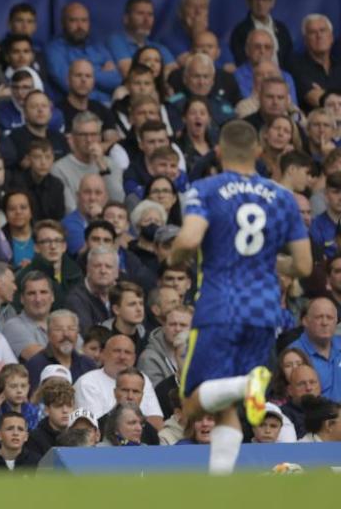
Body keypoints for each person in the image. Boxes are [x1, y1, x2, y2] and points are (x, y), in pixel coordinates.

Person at [168, 119, 312, 474]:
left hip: (219, 307)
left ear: (218, 151)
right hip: (264, 311)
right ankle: (219, 490)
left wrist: (173, 257)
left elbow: (187, 240)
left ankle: (245, 384)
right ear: (259, 152)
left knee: (191, 404)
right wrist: (267, 264)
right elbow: (305, 266)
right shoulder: (282, 197)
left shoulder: (205, 189)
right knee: (226, 410)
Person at [45, 3, 120, 103]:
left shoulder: (98, 46)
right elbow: (71, 86)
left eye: (84, 20)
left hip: (107, 107)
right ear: (63, 23)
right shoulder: (54, 50)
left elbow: (116, 80)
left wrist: (80, 75)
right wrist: (100, 72)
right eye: (73, 20)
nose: (80, 26)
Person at [52, 112, 125, 213]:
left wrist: (102, 166)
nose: (89, 139)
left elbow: (118, 200)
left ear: (100, 137)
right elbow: (70, 208)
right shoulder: (59, 169)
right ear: (73, 137)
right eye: (83, 135)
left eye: (93, 134)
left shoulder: (111, 165)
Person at [229, 0, 293, 70]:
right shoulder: (240, 31)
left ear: (272, 2)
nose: (260, 3)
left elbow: (289, 60)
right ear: (248, 2)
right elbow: (240, 62)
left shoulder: (282, 29)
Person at [288, 297, 341, 403]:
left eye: (330, 318)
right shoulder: (293, 354)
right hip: (313, 416)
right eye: (318, 317)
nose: (325, 322)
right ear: (305, 321)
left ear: (336, 322)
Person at [293, 14, 341, 111]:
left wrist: (324, 94)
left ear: (331, 37)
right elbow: (315, 98)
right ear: (305, 41)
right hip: (315, 124)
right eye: (312, 32)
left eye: (322, 30)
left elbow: (323, 99)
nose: (319, 36)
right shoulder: (297, 66)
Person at [138, 305, 192, 387]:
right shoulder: (148, 358)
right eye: (172, 324)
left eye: (183, 325)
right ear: (164, 326)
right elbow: (156, 395)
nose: (177, 329)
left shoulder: (200, 352)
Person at [26, 377, 76, 459]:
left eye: (69, 405)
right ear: (47, 409)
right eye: (58, 406)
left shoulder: (80, 434)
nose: (65, 411)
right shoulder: (35, 439)